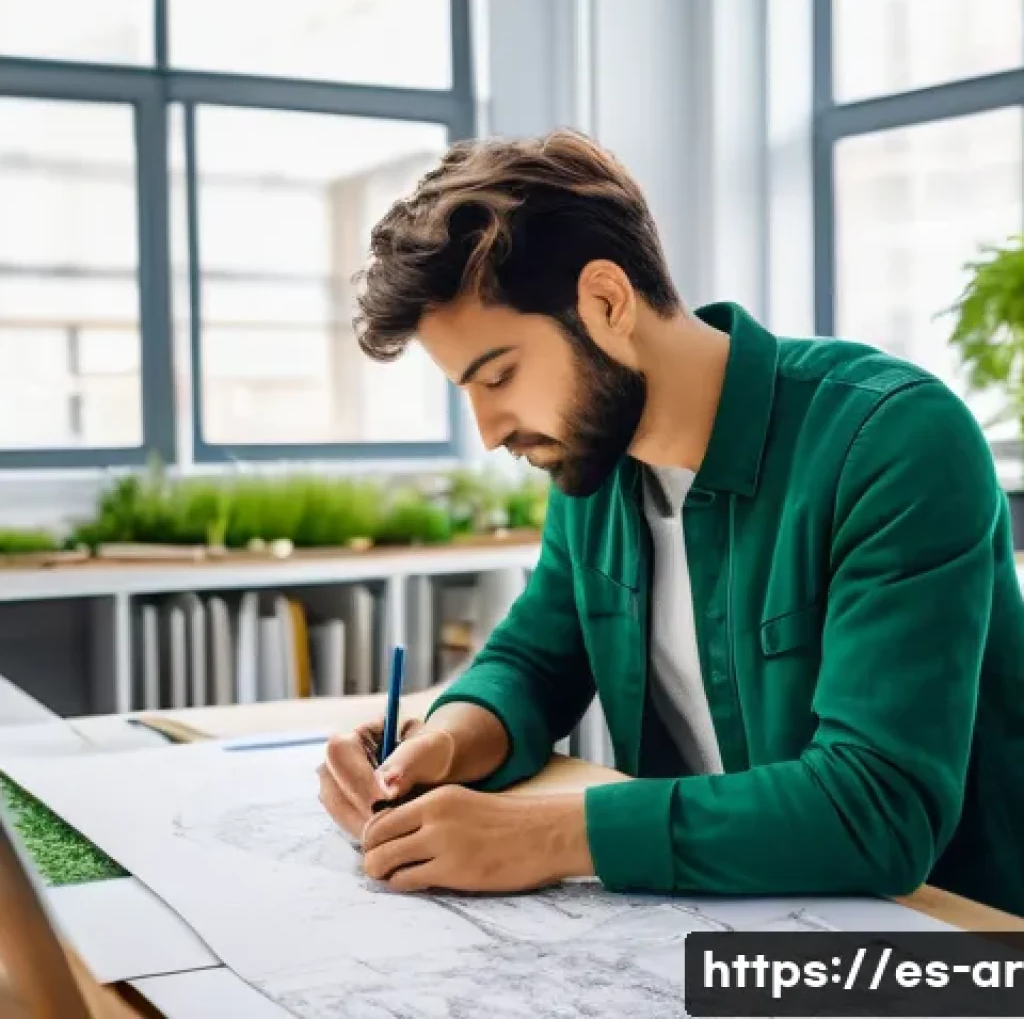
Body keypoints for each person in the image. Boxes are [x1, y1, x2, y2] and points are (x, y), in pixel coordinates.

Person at [317, 129, 1024, 918]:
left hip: (942, 950)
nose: (488, 430)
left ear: (608, 303)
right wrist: (442, 744)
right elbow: (534, 660)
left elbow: (876, 809)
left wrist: (547, 835)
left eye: (502, 374)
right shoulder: (594, 463)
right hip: (713, 924)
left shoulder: (896, 443)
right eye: (468, 391)